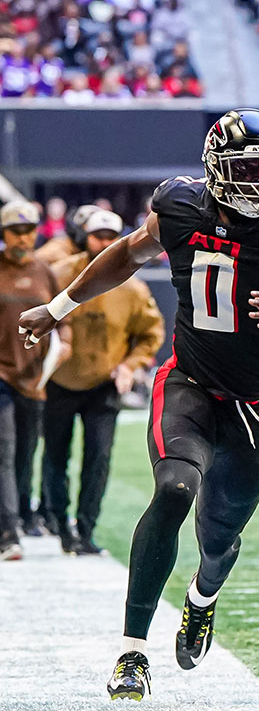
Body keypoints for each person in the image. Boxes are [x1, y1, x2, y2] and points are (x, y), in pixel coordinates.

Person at [17, 109, 259, 700]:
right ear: (215, 170)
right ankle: (132, 653)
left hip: (258, 404)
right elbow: (126, 255)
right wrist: (56, 310)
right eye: (246, 168)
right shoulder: (180, 207)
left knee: (220, 538)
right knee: (175, 488)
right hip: (190, 385)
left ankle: (202, 599)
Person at [42, 209, 165, 555]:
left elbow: (150, 334)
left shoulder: (134, 288)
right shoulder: (57, 275)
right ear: (83, 237)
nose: (106, 243)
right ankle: (57, 522)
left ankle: (85, 529)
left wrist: (129, 366)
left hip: (104, 384)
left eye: (112, 237)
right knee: (54, 456)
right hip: (60, 381)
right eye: (98, 236)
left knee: (99, 459)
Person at [0, 200, 69, 559]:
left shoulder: (45, 271)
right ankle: (8, 533)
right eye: (16, 231)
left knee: (26, 453)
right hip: (1, 375)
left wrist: (67, 342)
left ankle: (23, 516)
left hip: (35, 378)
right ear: (4, 233)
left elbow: (61, 314)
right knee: (5, 451)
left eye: (29, 230)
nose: (23, 237)